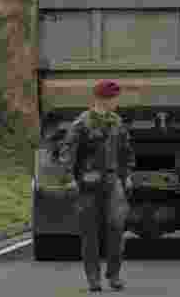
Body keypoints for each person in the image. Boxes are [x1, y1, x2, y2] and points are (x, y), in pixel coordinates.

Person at [58, 79, 134, 292]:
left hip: (112, 181)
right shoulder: (81, 123)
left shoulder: (117, 122)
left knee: (117, 227)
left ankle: (114, 274)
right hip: (88, 184)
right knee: (90, 233)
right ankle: (94, 278)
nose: (117, 102)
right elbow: (67, 152)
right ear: (104, 99)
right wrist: (70, 179)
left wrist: (127, 175)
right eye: (115, 98)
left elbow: (126, 151)